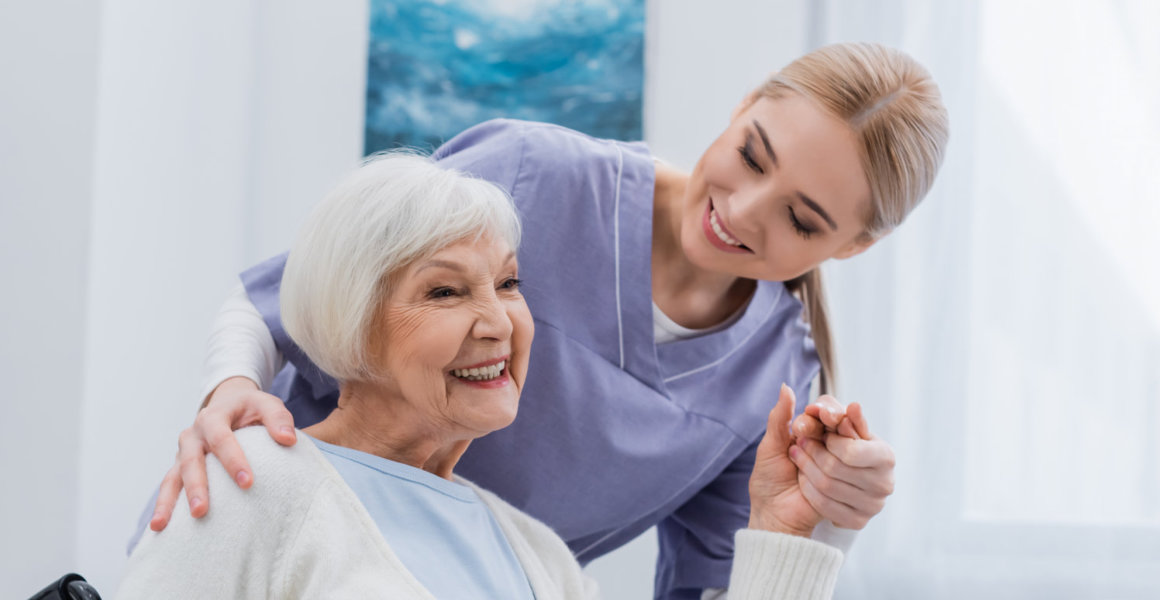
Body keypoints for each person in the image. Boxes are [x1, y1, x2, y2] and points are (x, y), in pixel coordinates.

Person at [149, 42, 946, 599]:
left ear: (854, 246)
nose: (739, 209)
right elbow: (282, 299)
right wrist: (228, 396)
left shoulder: (771, 382)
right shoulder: (537, 175)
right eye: (752, 154)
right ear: (743, 108)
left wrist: (827, 526)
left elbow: (724, 583)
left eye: (801, 221)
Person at [119, 154, 846, 599]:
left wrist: (795, 535)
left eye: (508, 284)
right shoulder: (252, 488)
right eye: (445, 291)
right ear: (351, 323)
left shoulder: (536, 556)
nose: (499, 321)